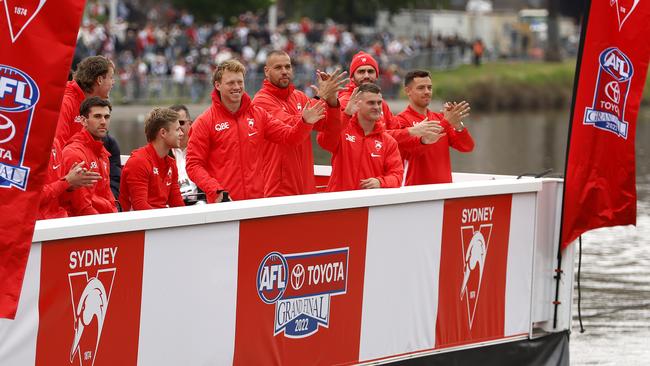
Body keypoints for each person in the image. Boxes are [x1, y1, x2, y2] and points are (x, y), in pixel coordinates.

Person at [186, 59, 325, 202]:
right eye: (231, 83)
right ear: (218, 85)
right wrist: (215, 190)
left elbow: (289, 137)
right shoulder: (204, 122)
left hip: (256, 205)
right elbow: (193, 165)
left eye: (240, 82)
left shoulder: (259, 115)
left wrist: (305, 122)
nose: (237, 87)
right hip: (224, 205)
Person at [252, 50, 345, 197]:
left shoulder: (299, 96)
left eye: (287, 67)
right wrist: (320, 96)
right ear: (266, 71)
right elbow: (290, 128)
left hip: (305, 184)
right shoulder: (260, 101)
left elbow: (327, 127)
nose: (284, 71)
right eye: (278, 68)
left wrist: (332, 101)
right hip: (278, 188)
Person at [338, 51, 439, 148]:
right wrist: (411, 131)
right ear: (352, 77)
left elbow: (397, 133)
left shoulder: (381, 103)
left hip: (378, 162)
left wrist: (422, 140)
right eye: (361, 71)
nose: (366, 75)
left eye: (370, 71)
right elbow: (368, 136)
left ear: (377, 76)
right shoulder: (346, 102)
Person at [55, 55, 122, 200]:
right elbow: (56, 147)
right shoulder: (66, 101)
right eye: (111, 78)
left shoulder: (87, 103)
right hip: (68, 184)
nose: (113, 82)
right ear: (99, 80)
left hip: (82, 178)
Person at [317, 83, 403, 192]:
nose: (377, 107)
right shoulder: (343, 130)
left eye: (379, 103)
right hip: (338, 202)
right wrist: (346, 114)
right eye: (371, 103)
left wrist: (380, 182)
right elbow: (324, 142)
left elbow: (397, 176)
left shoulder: (388, 141)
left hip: (368, 205)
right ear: (357, 104)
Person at [394, 70, 474, 185]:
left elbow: (467, 147)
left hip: (443, 191)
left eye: (429, 88)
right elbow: (416, 150)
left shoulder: (439, 118)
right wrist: (447, 122)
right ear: (408, 91)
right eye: (421, 88)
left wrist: (457, 124)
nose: (427, 92)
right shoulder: (400, 121)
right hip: (415, 193)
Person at [120, 108, 185, 211]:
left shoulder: (171, 163)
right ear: (163, 133)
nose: (182, 133)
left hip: (159, 222)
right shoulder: (138, 162)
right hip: (138, 225)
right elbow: (140, 208)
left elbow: (178, 205)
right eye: (177, 129)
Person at [62, 97, 117, 216]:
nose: (103, 122)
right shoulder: (74, 153)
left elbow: (108, 195)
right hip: (83, 227)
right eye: (97, 116)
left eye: (106, 117)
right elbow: (82, 208)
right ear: (83, 121)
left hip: (104, 220)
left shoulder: (102, 153)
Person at [37, 139, 101, 219]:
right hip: (37, 225)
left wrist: (71, 187)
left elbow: (60, 196)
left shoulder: (55, 142)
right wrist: (67, 182)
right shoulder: (24, 148)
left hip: (59, 218)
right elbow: (31, 198)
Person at [169, 104, 200, 203]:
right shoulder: (163, 152)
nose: (178, 127)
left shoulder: (200, 148)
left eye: (181, 123)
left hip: (200, 203)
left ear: (190, 123)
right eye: (173, 124)